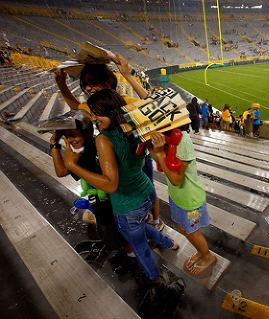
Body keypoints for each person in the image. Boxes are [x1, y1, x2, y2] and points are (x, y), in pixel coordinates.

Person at [63, 89, 179, 285]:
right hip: (146, 192)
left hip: (127, 205)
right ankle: (170, 243)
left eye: (96, 112)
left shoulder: (103, 139)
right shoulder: (134, 129)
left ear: (110, 111)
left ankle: (153, 278)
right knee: (141, 226)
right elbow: (141, 164)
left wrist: (72, 165)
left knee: (139, 246)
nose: (93, 117)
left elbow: (110, 184)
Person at [54, 57, 165, 232]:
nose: (89, 88)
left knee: (147, 188)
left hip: (137, 156)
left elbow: (152, 105)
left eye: (93, 83)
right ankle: (139, 218)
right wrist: (61, 84)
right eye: (86, 85)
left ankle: (156, 221)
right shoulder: (93, 105)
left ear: (107, 81)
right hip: (116, 159)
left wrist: (128, 75)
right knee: (127, 191)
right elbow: (75, 106)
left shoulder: (125, 101)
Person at [49, 110, 137, 275]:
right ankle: (128, 251)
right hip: (101, 204)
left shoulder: (94, 149)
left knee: (118, 235)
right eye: (66, 137)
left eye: (73, 135)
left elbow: (62, 170)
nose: (69, 140)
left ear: (88, 131)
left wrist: (68, 160)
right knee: (112, 234)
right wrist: (55, 142)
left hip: (113, 205)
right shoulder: (84, 149)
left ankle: (132, 256)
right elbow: (61, 171)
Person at [149, 126, 217, 276]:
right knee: (184, 229)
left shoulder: (182, 140)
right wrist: (149, 142)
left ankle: (208, 257)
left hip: (189, 200)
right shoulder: (166, 136)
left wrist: (160, 153)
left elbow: (176, 179)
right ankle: (201, 251)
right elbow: (159, 159)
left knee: (193, 233)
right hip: (177, 197)